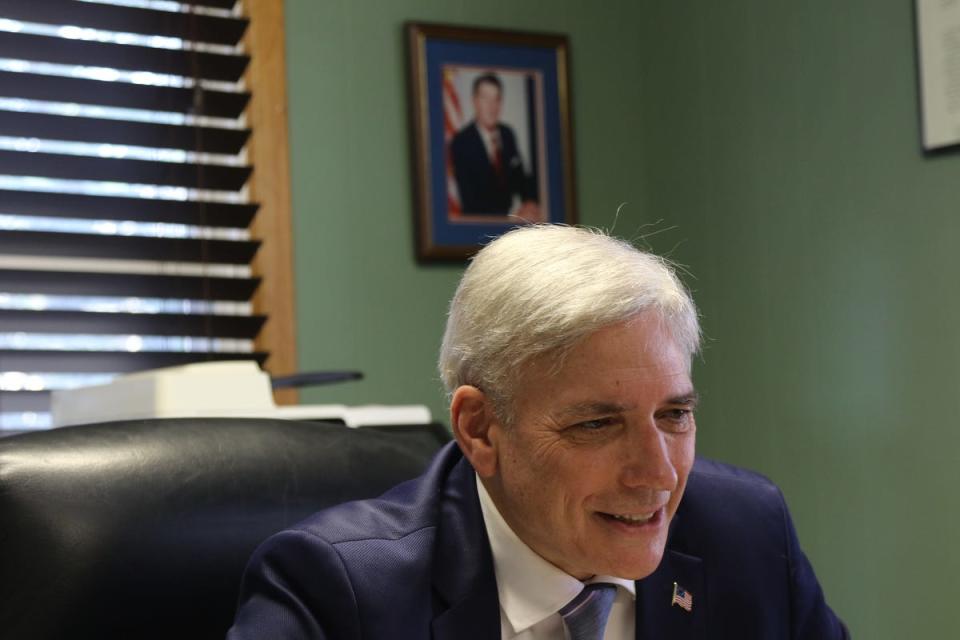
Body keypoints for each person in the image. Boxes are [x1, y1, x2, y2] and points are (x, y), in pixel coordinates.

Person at [228, 225, 849, 639]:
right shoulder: (336, 593)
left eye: (674, 415)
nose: (658, 473)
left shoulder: (748, 536)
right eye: (598, 424)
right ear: (481, 429)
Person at [450, 73, 540, 218]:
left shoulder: (507, 134)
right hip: (479, 229)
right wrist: (511, 217)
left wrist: (529, 202)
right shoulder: (462, 142)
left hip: (511, 224)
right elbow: (470, 202)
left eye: (496, 99)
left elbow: (522, 179)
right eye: (485, 98)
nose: (492, 106)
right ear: (474, 101)